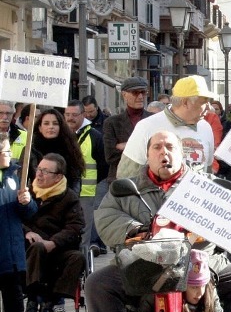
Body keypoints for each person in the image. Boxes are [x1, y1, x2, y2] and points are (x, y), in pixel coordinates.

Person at [87, 130, 231, 312]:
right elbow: (106, 217)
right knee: (97, 283)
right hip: (142, 266)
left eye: (170, 147)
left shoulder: (205, 185)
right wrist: (136, 229)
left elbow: (230, 224)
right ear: (147, 155)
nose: (164, 153)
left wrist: (208, 228)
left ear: (182, 154)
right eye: (157, 147)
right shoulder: (127, 188)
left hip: (199, 265)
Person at [22, 153, 85, 312]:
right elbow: (14, 220)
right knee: (37, 248)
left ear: (58, 177)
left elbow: (75, 226)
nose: (39, 174)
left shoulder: (69, 197)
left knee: (78, 258)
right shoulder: (27, 194)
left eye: (45, 171)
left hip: (59, 250)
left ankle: (50, 302)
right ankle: (33, 300)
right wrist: (27, 232)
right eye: (39, 169)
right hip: (30, 248)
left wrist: (54, 242)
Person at [117, 75, 216, 180]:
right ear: (186, 103)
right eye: (204, 102)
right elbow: (126, 176)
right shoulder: (147, 126)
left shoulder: (206, 128)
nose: (209, 107)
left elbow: (207, 171)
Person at [0, 133, 39, 312]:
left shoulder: (16, 176)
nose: (8, 156)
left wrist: (27, 202)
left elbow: (29, 213)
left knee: (13, 293)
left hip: (11, 247)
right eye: (5, 152)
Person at [64, 100, 106, 249]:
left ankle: (83, 267)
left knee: (83, 235)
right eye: (67, 114)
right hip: (62, 192)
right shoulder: (60, 135)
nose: (70, 118)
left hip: (86, 194)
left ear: (83, 115)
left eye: (74, 114)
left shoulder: (94, 136)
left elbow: (103, 165)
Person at [102, 77, 150, 184]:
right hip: (120, 180)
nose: (141, 96)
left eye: (143, 92)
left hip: (148, 180)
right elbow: (110, 156)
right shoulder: (112, 122)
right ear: (124, 95)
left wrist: (126, 146)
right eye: (135, 93)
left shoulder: (153, 119)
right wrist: (145, 148)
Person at [31, 109, 86, 195]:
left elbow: (75, 179)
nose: (51, 127)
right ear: (40, 128)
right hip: (36, 201)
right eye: (46, 123)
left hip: (64, 202)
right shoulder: (31, 150)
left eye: (55, 123)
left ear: (61, 127)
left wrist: (70, 201)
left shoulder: (70, 148)